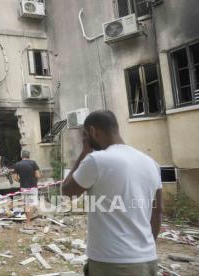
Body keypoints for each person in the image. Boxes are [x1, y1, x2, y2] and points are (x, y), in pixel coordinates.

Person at [62, 110, 162, 276]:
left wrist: (83, 154)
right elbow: (158, 212)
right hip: (148, 260)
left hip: (112, 263)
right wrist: (143, 249)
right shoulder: (151, 163)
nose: (85, 139)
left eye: (85, 134)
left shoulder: (97, 160)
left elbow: (67, 192)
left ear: (93, 131)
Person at [12, 150, 41, 227]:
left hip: (23, 188)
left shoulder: (17, 164)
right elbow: (38, 175)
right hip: (33, 187)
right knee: (33, 204)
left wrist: (21, 181)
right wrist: (35, 180)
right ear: (29, 156)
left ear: (22, 156)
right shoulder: (33, 163)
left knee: (26, 204)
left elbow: (15, 178)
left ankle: (28, 222)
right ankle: (29, 221)